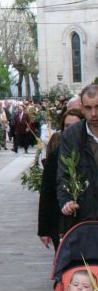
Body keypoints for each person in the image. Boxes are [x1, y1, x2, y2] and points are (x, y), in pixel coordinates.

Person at [38, 108, 84, 251]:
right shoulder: (56, 155)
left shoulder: (90, 152)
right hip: (61, 222)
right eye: (67, 127)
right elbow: (47, 192)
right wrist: (44, 229)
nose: (71, 130)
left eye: (75, 126)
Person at [57, 83, 98, 229]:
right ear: (81, 108)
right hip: (85, 217)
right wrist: (66, 201)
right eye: (88, 108)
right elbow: (63, 174)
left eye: (97, 107)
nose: (94, 113)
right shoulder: (71, 135)